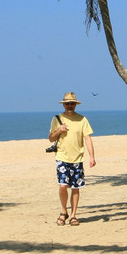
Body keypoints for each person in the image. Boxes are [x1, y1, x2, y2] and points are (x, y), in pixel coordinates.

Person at [48, 91, 96, 226]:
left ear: (75, 104)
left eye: (72, 103)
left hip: (77, 159)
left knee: (75, 187)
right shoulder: (57, 119)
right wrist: (59, 130)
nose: (70, 105)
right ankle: (64, 211)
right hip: (62, 157)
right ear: (64, 105)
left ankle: (73, 215)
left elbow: (88, 138)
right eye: (67, 103)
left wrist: (92, 157)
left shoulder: (82, 119)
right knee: (63, 186)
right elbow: (51, 138)